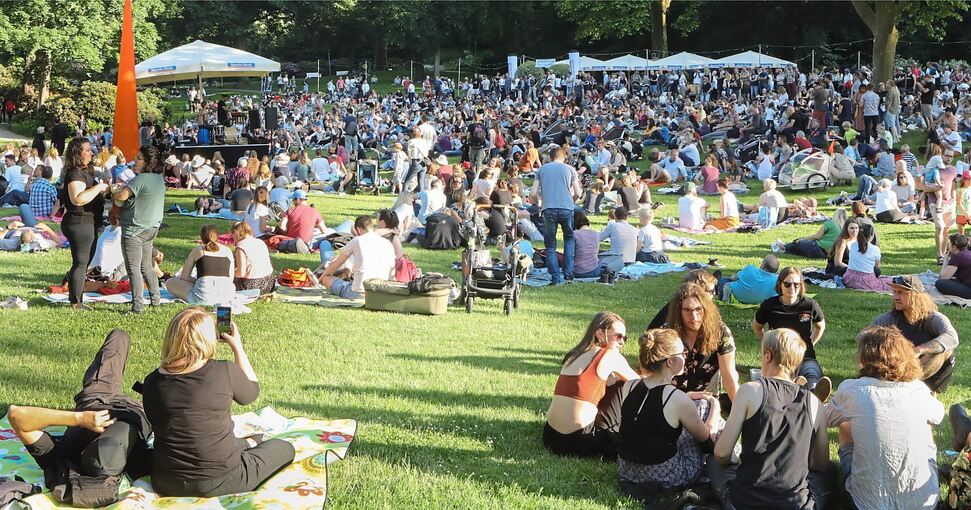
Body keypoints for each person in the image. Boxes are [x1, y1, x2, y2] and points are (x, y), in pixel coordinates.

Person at [143, 308, 295, 497]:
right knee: (284, 447)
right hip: (223, 479)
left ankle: (245, 444)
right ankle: (247, 445)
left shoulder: (151, 382)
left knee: (223, 441)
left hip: (166, 482)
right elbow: (251, 393)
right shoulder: (224, 371)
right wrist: (237, 347)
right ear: (208, 338)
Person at [7, 330, 153, 501]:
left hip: (97, 399)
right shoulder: (137, 463)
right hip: (135, 410)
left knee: (119, 337)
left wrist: (81, 419)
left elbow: (16, 415)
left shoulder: (59, 456)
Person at [710, 328, 832, 510]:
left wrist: (734, 458)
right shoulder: (815, 404)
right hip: (795, 505)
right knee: (828, 474)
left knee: (713, 464)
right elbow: (820, 464)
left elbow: (721, 454)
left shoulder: (750, 391)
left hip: (744, 503)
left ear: (767, 355)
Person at [825, 326, 944, 510]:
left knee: (845, 422)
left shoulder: (853, 390)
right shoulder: (918, 390)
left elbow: (823, 418)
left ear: (864, 357)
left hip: (867, 503)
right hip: (922, 503)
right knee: (926, 425)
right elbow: (938, 416)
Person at [616, 328, 720, 502]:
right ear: (669, 362)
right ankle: (734, 460)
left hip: (626, 471)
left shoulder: (630, 386)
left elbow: (647, 419)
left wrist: (686, 397)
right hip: (663, 478)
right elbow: (707, 442)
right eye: (683, 353)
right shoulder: (676, 398)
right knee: (703, 407)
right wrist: (715, 406)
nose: (686, 356)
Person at [544, 312, 640, 458]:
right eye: (618, 336)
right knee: (622, 384)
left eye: (624, 338)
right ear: (600, 334)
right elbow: (642, 385)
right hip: (579, 441)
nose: (622, 342)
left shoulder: (574, 355)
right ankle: (618, 439)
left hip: (551, 438)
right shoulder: (610, 356)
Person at [870, 274, 959, 393]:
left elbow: (952, 338)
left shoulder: (933, 318)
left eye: (901, 292)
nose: (896, 297)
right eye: (895, 292)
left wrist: (919, 350)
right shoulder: (892, 318)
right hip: (900, 370)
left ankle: (918, 388)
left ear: (915, 296)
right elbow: (863, 336)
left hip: (927, 375)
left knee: (944, 351)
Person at [753, 267, 831, 400]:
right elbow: (757, 327)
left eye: (796, 284)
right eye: (787, 284)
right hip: (779, 357)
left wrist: (808, 344)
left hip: (804, 355)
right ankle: (798, 388)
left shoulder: (810, 305)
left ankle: (812, 393)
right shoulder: (769, 306)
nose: (792, 288)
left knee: (812, 371)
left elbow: (820, 326)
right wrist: (768, 343)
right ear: (780, 285)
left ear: (801, 286)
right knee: (782, 376)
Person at [110, 145, 166, 314]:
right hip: (151, 228)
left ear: (148, 162)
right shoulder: (158, 179)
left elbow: (121, 196)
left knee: (133, 269)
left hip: (134, 229)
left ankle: (137, 306)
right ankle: (156, 301)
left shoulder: (140, 179)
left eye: (139, 158)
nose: (135, 161)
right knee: (147, 266)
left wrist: (113, 192)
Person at [663, 283, 740, 400]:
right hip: (670, 397)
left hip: (704, 398)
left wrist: (742, 413)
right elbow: (654, 376)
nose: (694, 316)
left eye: (698, 309)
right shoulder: (667, 333)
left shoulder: (720, 332)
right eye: (687, 310)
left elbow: (729, 378)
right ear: (678, 311)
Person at [60, 138, 108, 310]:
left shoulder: (85, 172)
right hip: (79, 221)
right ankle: (76, 302)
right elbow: (78, 199)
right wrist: (99, 188)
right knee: (80, 262)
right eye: (87, 150)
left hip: (89, 221)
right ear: (77, 153)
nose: (91, 153)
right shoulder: (75, 174)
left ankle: (73, 286)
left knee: (84, 262)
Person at [531, 147, 581, 285]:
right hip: (566, 208)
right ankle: (568, 273)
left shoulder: (541, 170)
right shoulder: (570, 169)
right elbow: (578, 192)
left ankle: (555, 277)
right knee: (569, 239)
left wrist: (539, 203)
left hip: (549, 209)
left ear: (550, 156)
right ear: (564, 157)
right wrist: (572, 202)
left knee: (550, 244)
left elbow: (533, 193)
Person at [316, 215, 395, 300]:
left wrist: (321, 278)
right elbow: (392, 273)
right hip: (381, 293)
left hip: (359, 293)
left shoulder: (357, 241)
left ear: (358, 229)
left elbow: (335, 265)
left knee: (326, 279)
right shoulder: (388, 243)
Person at [164, 225, 236, 306]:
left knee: (170, 282)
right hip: (225, 296)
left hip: (203, 298)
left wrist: (198, 281)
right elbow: (230, 279)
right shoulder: (227, 250)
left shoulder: (198, 249)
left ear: (202, 238)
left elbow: (184, 276)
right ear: (217, 236)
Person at [779, 208, 847, 259]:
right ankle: (784, 249)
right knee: (800, 249)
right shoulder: (847, 227)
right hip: (827, 255)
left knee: (799, 243)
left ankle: (783, 246)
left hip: (819, 248)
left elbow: (817, 236)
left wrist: (802, 238)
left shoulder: (830, 223)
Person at [842, 223, 892, 291]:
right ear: (871, 235)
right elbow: (876, 266)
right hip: (866, 281)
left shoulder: (853, 245)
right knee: (887, 280)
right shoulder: (875, 249)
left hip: (849, 279)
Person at [230, 221, 275, 295]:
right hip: (269, 283)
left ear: (235, 232)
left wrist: (230, 273)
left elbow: (241, 273)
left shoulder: (241, 246)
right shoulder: (260, 241)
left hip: (253, 285)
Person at [598, 206, 638, 272]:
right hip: (631, 260)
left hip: (615, 260)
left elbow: (598, 238)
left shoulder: (613, 226)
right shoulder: (634, 229)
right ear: (627, 217)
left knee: (595, 254)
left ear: (615, 216)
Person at [572, 210, 605, 279]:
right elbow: (596, 253)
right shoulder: (596, 234)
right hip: (594, 270)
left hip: (577, 272)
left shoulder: (574, 234)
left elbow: (570, 254)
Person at [936, 233, 971, 298]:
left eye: (949, 244)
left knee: (939, 283)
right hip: (967, 283)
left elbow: (943, 277)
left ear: (954, 247)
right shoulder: (968, 252)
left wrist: (945, 260)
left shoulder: (957, 257)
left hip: (969, 290)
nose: (948, 245)